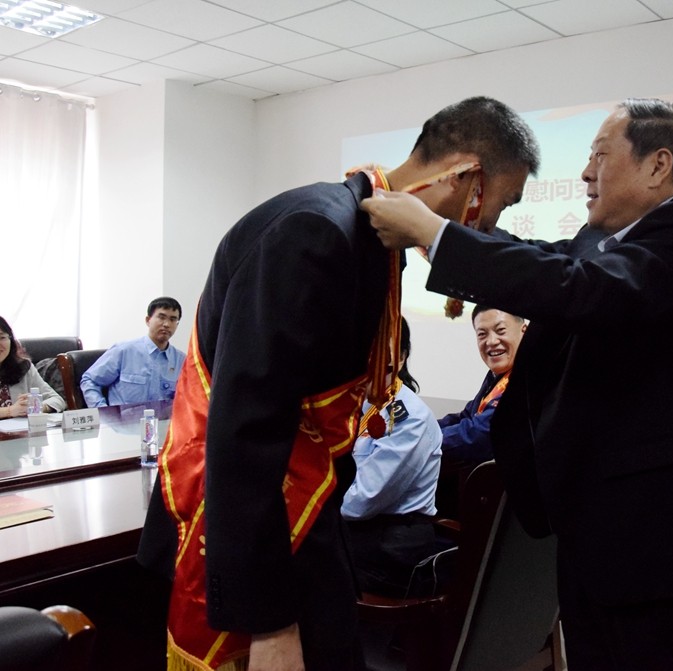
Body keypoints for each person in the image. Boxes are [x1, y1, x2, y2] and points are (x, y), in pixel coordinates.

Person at [136, 96, 540, 671]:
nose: (493, 224)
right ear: (468, 179)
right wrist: (270, 622)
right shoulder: (314, 231)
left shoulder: (368, 237)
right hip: (254, 533)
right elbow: (248, 427)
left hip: (307, 511)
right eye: (503, 202)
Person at [363, 97, 673, 670]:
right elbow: (541, 258)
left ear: (658, 166)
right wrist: (460, 228)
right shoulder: (602, 241)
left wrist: (438, 235)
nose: (585, 173)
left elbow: (577, 286)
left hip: (657, 541)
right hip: (591, 530)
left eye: (600, 156)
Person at [342, 317, 445, 597]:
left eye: (381, 355)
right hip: (356, 534)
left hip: (388, 548)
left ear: (400, 358)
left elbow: (363, 501)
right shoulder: (354, 404)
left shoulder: (410, 418)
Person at [438, 304, 526, 465]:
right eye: (482, 334)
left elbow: (479, 436)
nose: (491, 341)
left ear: (524, 331)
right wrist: (422, 428)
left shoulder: (527, 377)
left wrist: (424, 440)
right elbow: (466, 416)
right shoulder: (496, 375)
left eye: (501, 330)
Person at [80, 297, 185, 407]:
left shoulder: (181, 360)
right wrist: (104, 411)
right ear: (148, 320)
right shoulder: (123, 351)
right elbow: (89, 380)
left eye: (173, 319)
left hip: (164, 418)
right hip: (123, 417)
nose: (167, 324)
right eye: (161, 317)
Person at [0, 316, 66, 417]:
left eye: (2, 338)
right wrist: (8, 411)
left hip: (20, 427)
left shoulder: (22, 367)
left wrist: (37, 406)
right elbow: (11, 411)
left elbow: (57, 400)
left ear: (10, 339)